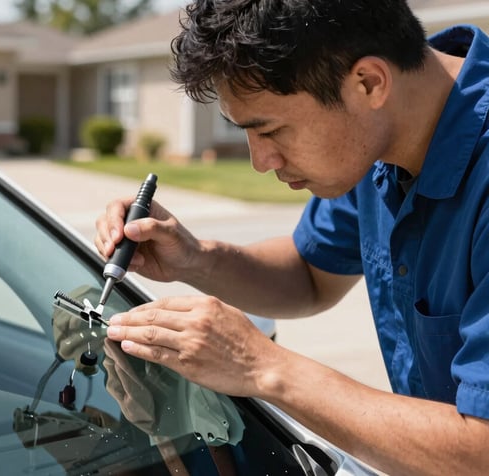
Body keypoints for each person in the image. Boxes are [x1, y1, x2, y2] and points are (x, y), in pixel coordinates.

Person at [95, 1, 489, 474]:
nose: (260, 161)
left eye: (272, 130)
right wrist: (195, 259)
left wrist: (260, 366)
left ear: (369, 83)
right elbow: (309, 274)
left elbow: (480, 450)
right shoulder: (377, 138)